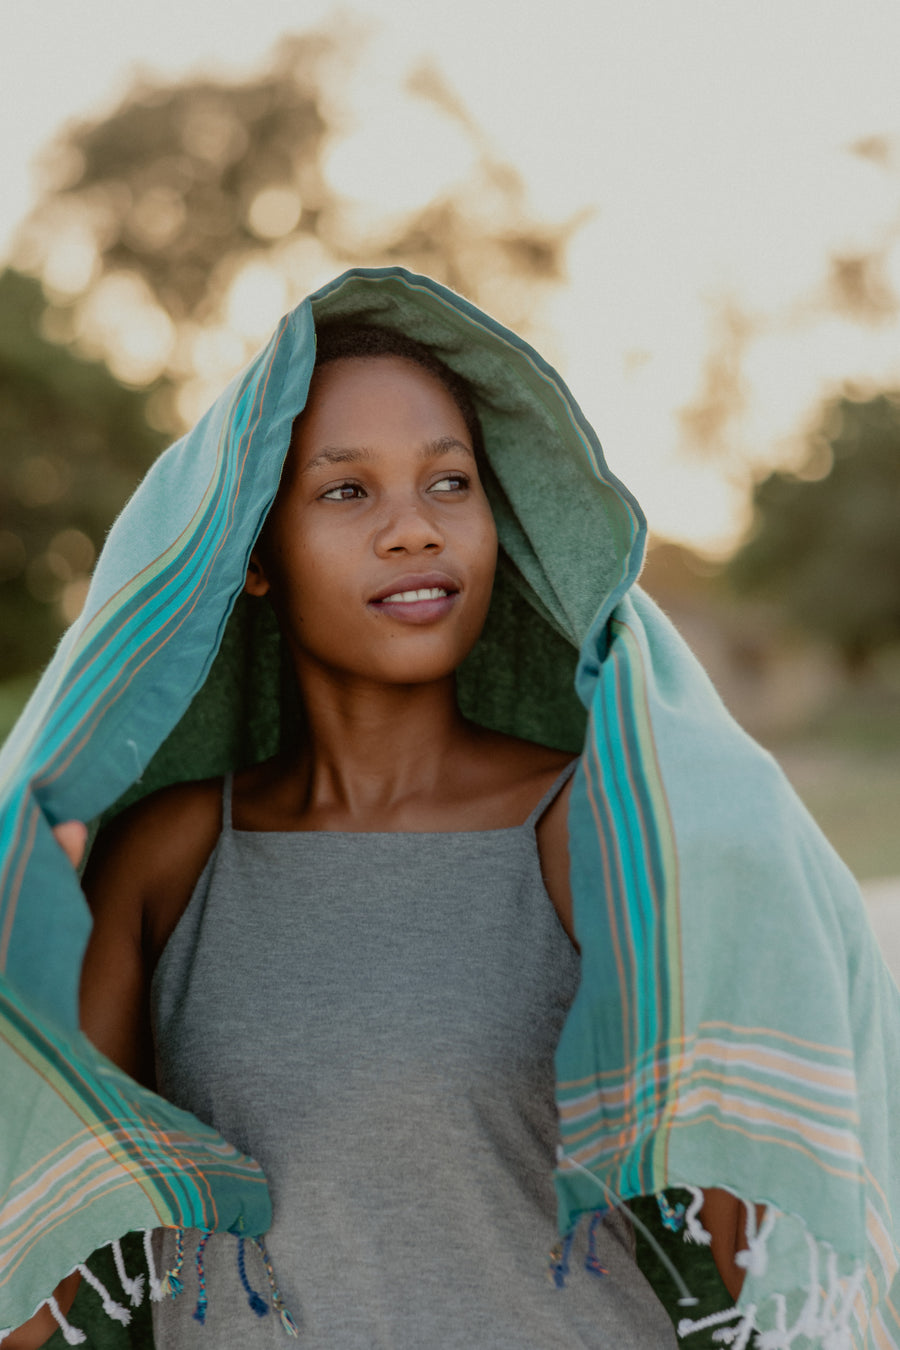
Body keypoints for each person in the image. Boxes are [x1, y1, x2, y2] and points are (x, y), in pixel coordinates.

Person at [3, 269, 898, 1349]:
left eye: (450, 483)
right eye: (347, 491)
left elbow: (754, 1250)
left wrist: (737, 843)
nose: (414, 530)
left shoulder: (592, 828)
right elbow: (45, 1291)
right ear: (252, 557)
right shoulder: (168, 855)